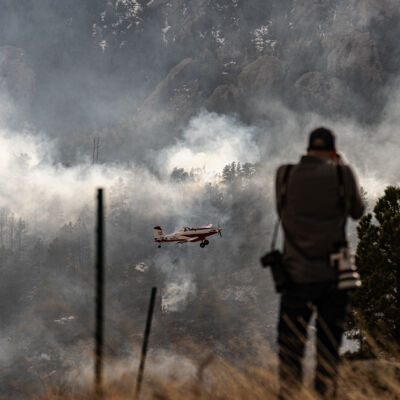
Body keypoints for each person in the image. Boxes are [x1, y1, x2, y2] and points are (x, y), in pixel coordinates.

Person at [275, 127, 364, 399]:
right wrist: (339, 169)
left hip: (295, 274)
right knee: (328, 350)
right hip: (334, 277)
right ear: (333, 151)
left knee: (290, 348)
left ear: (307, 149)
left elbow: (282, 211)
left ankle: (289, 394)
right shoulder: (342, 173)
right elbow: (357, 212)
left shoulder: (285, 174)